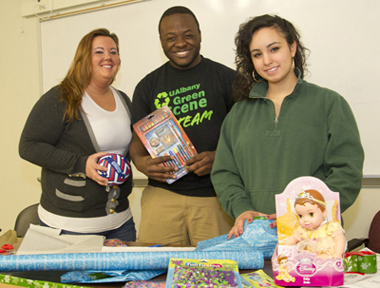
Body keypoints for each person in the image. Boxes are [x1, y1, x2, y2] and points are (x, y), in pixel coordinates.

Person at [211, 14, 364, 239]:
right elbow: (225, 172)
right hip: (255, 236)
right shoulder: (239, 113)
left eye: (274, 49)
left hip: (315, 237)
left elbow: (347, 173)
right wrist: (241, 207)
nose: (267, 60)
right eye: (257, 54)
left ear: (292, 48)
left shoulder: (329, 103)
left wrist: (303, 212)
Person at [130, 6, 235, 246]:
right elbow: (136, 144)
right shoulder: (147, 86)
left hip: (215, 196)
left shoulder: (228, 79)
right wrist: (141, 162)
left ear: (199, 34)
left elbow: (248, 139)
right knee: (155, 274)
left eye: (187, 35)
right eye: (170, 37)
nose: (180, 43)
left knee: (219, 275)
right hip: (162, 196)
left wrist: (220, 158)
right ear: (161, 41)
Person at [19, 28, 136, 241]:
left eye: (114, 51)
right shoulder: (61, 98)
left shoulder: (124, 100)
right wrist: (82, 164)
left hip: (121, 222)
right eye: (99, 52)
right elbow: (29, 145)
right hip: (70, 226)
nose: (108, 57)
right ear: (84, 58)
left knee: (126, 276)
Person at [284, 189, 346, 259]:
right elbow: (292, 240)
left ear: (324, 213)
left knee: (324, 257)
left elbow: (340, 240)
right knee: (300, 258)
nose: (305, 220)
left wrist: (338, 253)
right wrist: (284, 250)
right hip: (309, 257)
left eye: (311, 214)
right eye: (300, 216)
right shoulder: (303, 230)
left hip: (327, 256)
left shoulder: (330, 227)